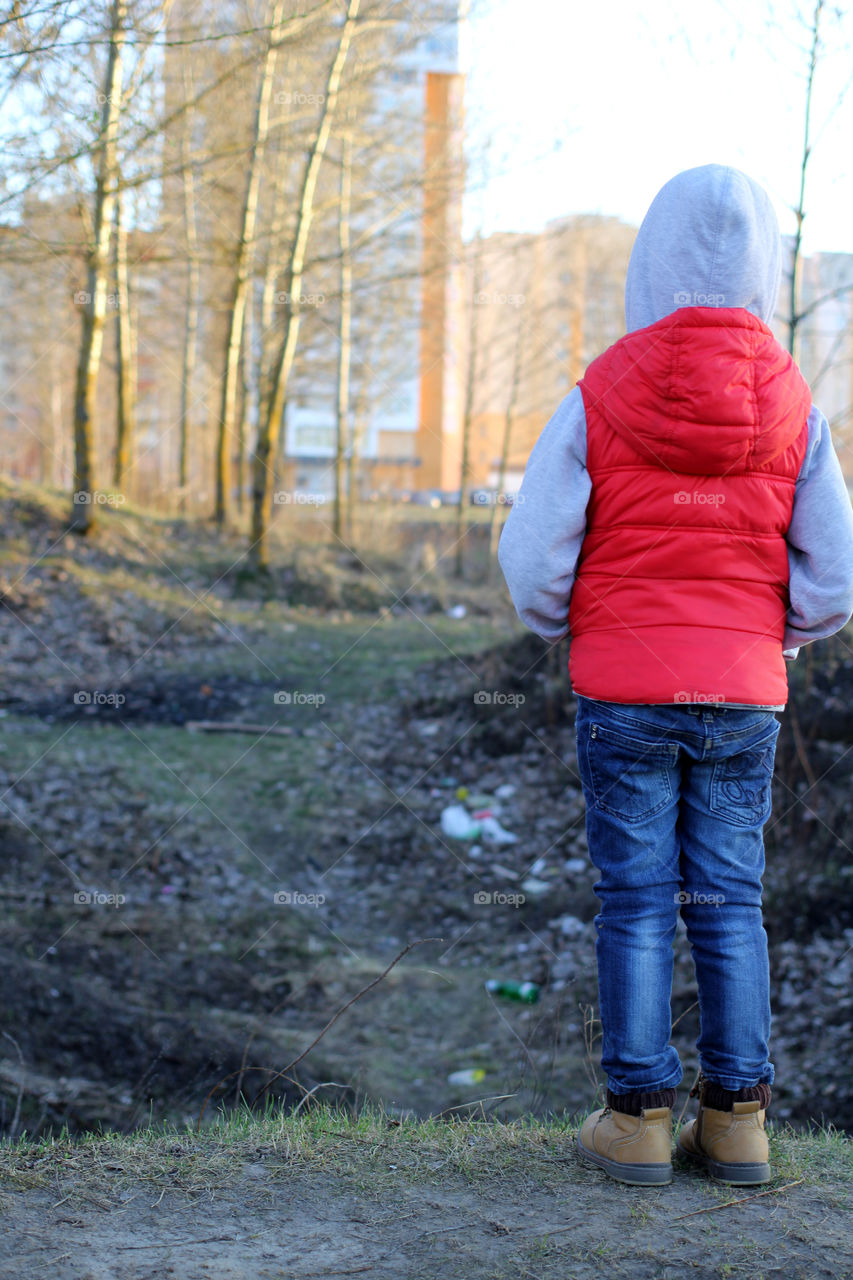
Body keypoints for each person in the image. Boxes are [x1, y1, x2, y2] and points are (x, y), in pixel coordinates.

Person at [498, 164, 853, 1187]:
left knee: (637, 900)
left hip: (625, 693)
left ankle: (638, 1118)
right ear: (763, 272)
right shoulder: (796, 405)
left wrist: (574, 622)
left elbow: (533, 561)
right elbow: (834, 580)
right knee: (730, 900)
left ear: (647, 266)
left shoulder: (599, 392)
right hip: (743, 694)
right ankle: (737, 1117)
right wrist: (766, 632)